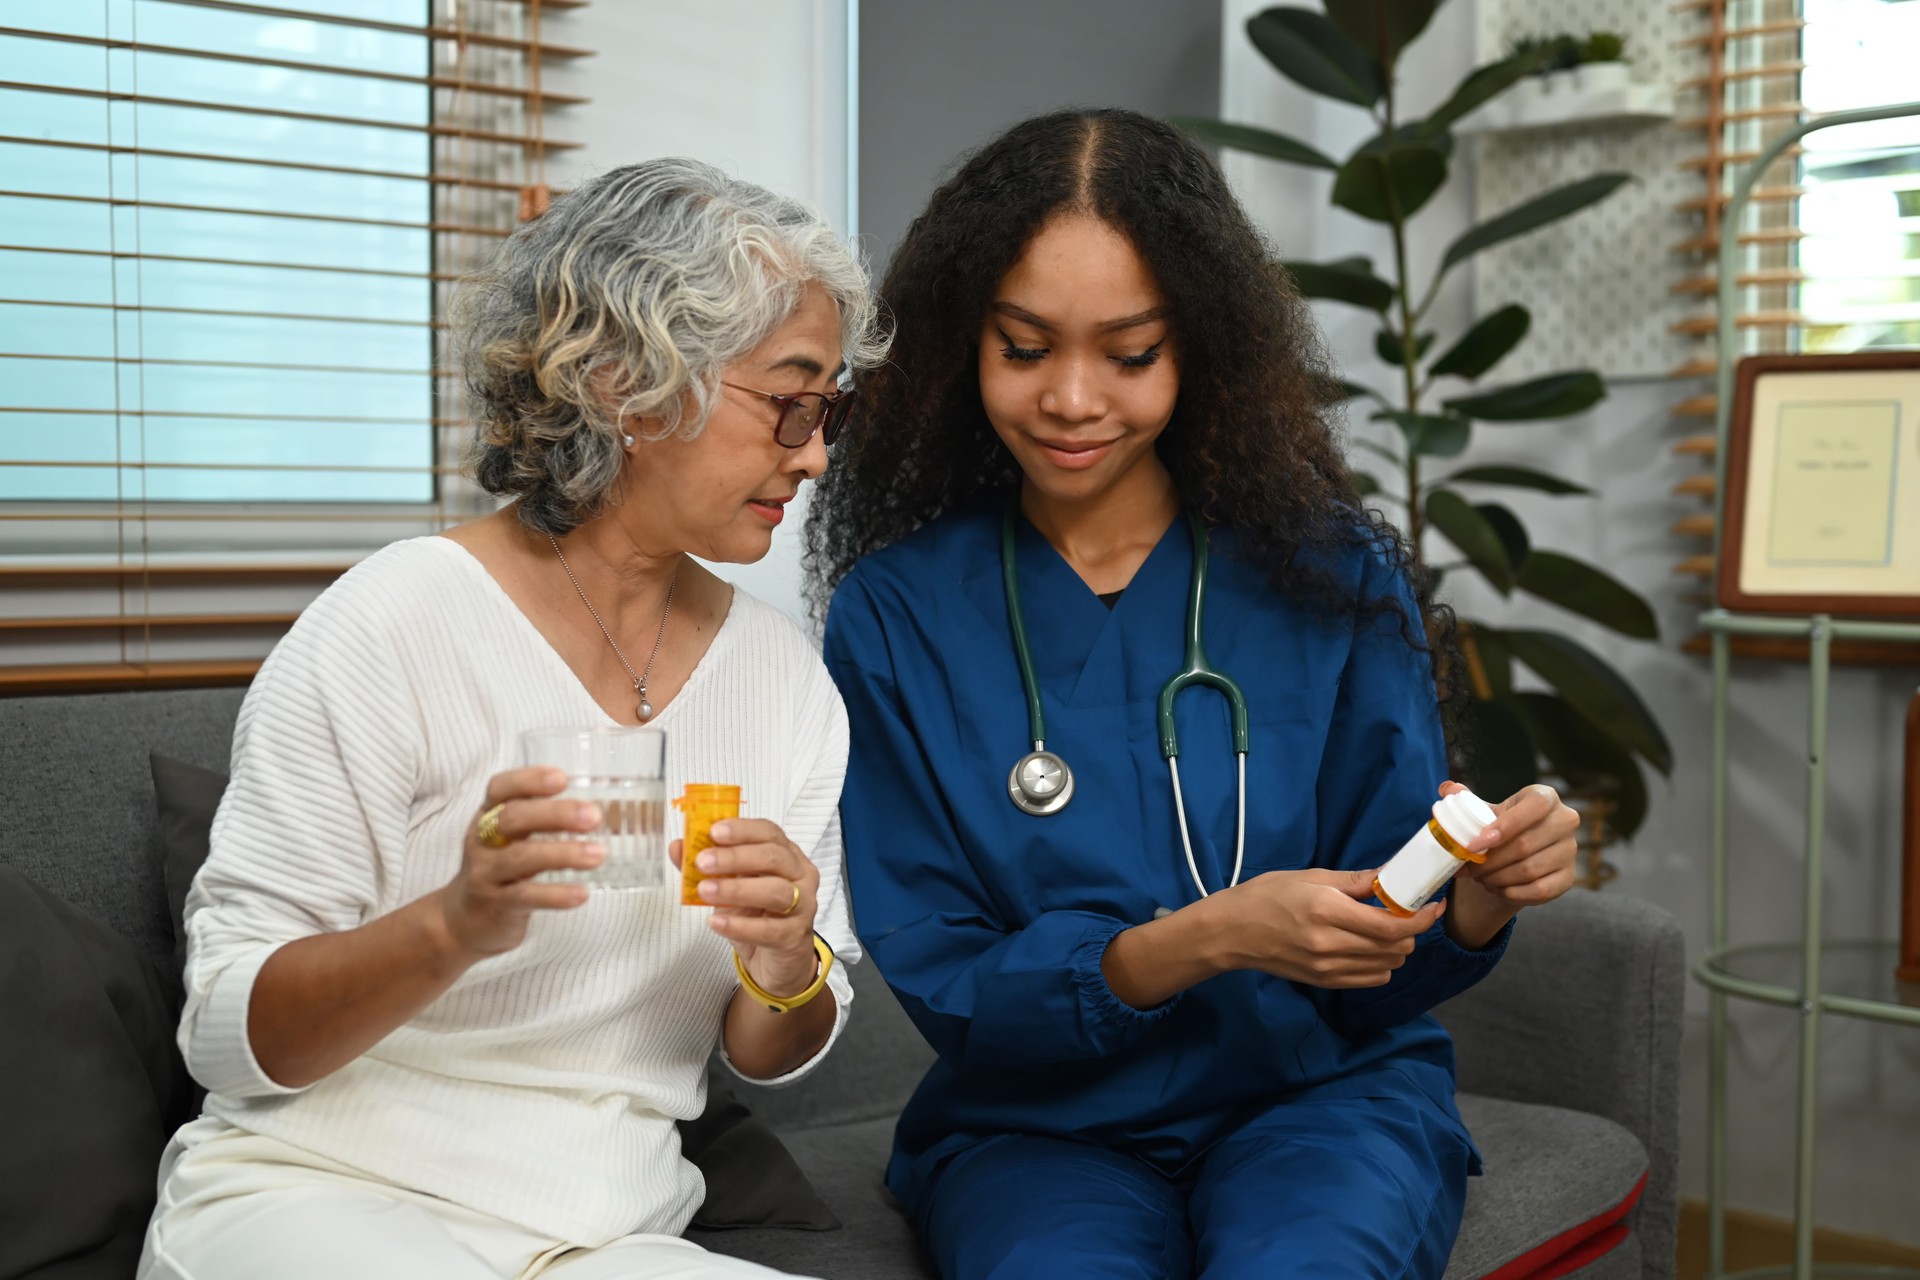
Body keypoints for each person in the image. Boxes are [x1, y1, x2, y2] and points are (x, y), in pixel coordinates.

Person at [808, 109, 1580, 1279]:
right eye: (1024, 347)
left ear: (1199, 349)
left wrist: (1476, 898)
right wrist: (1203, 938)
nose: (1073, 399)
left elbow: (1392, 942)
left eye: (1129, 354)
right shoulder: (897, 613)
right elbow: (947, 980)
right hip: (1038, 1125)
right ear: (962, 347)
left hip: (1320, 1098)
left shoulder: (1329, 577)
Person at [139, 158, 889, 1280]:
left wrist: (786, 953)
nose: (816, 451)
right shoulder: (389, 624)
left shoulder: (784, 682)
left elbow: (778, 1048)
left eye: (827, 407)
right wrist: (454, 923)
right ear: (627, 380)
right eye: (788, 400)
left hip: (603, 1231)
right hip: (319, 1197)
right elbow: (226, 1034)